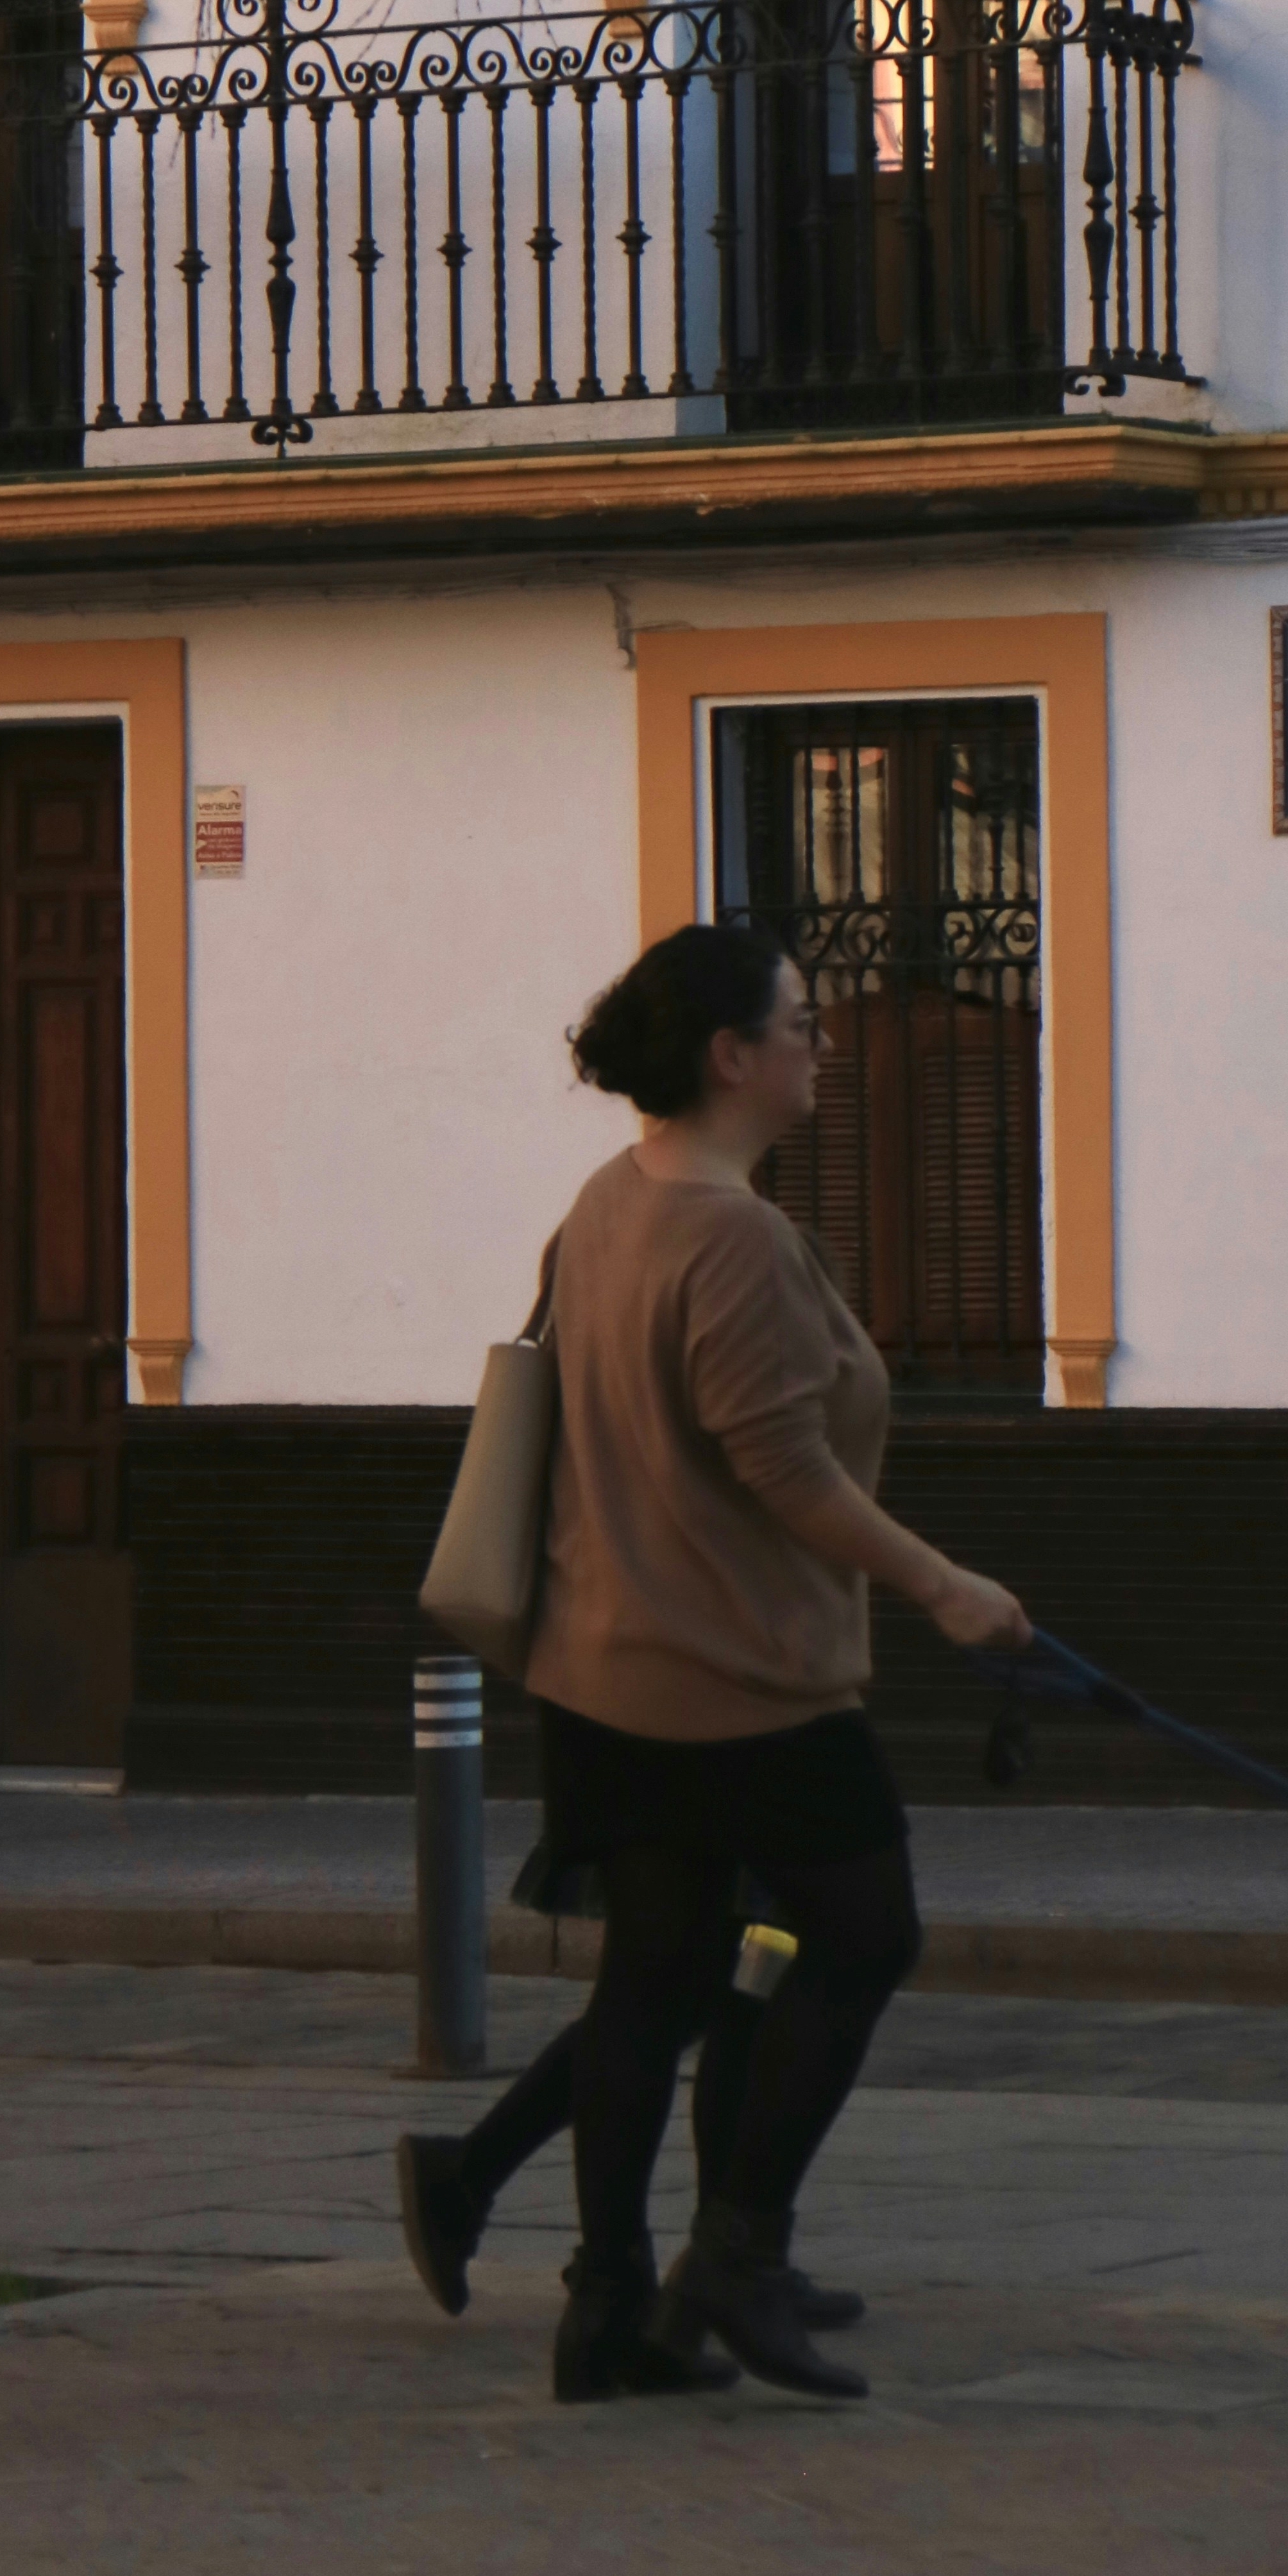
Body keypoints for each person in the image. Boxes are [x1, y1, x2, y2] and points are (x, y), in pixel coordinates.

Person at [400, 919, 1030, 2406]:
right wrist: (942, 1586)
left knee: (656, 1978)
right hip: (739, 1676)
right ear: (730, 1056)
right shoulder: (728, 1238)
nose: (824, 1044)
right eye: (801, 1023)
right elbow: (783, 1470)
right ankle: (737, 2257)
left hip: (600, 1667)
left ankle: (607, 2312)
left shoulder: (607, 1203)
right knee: (862, 1934)